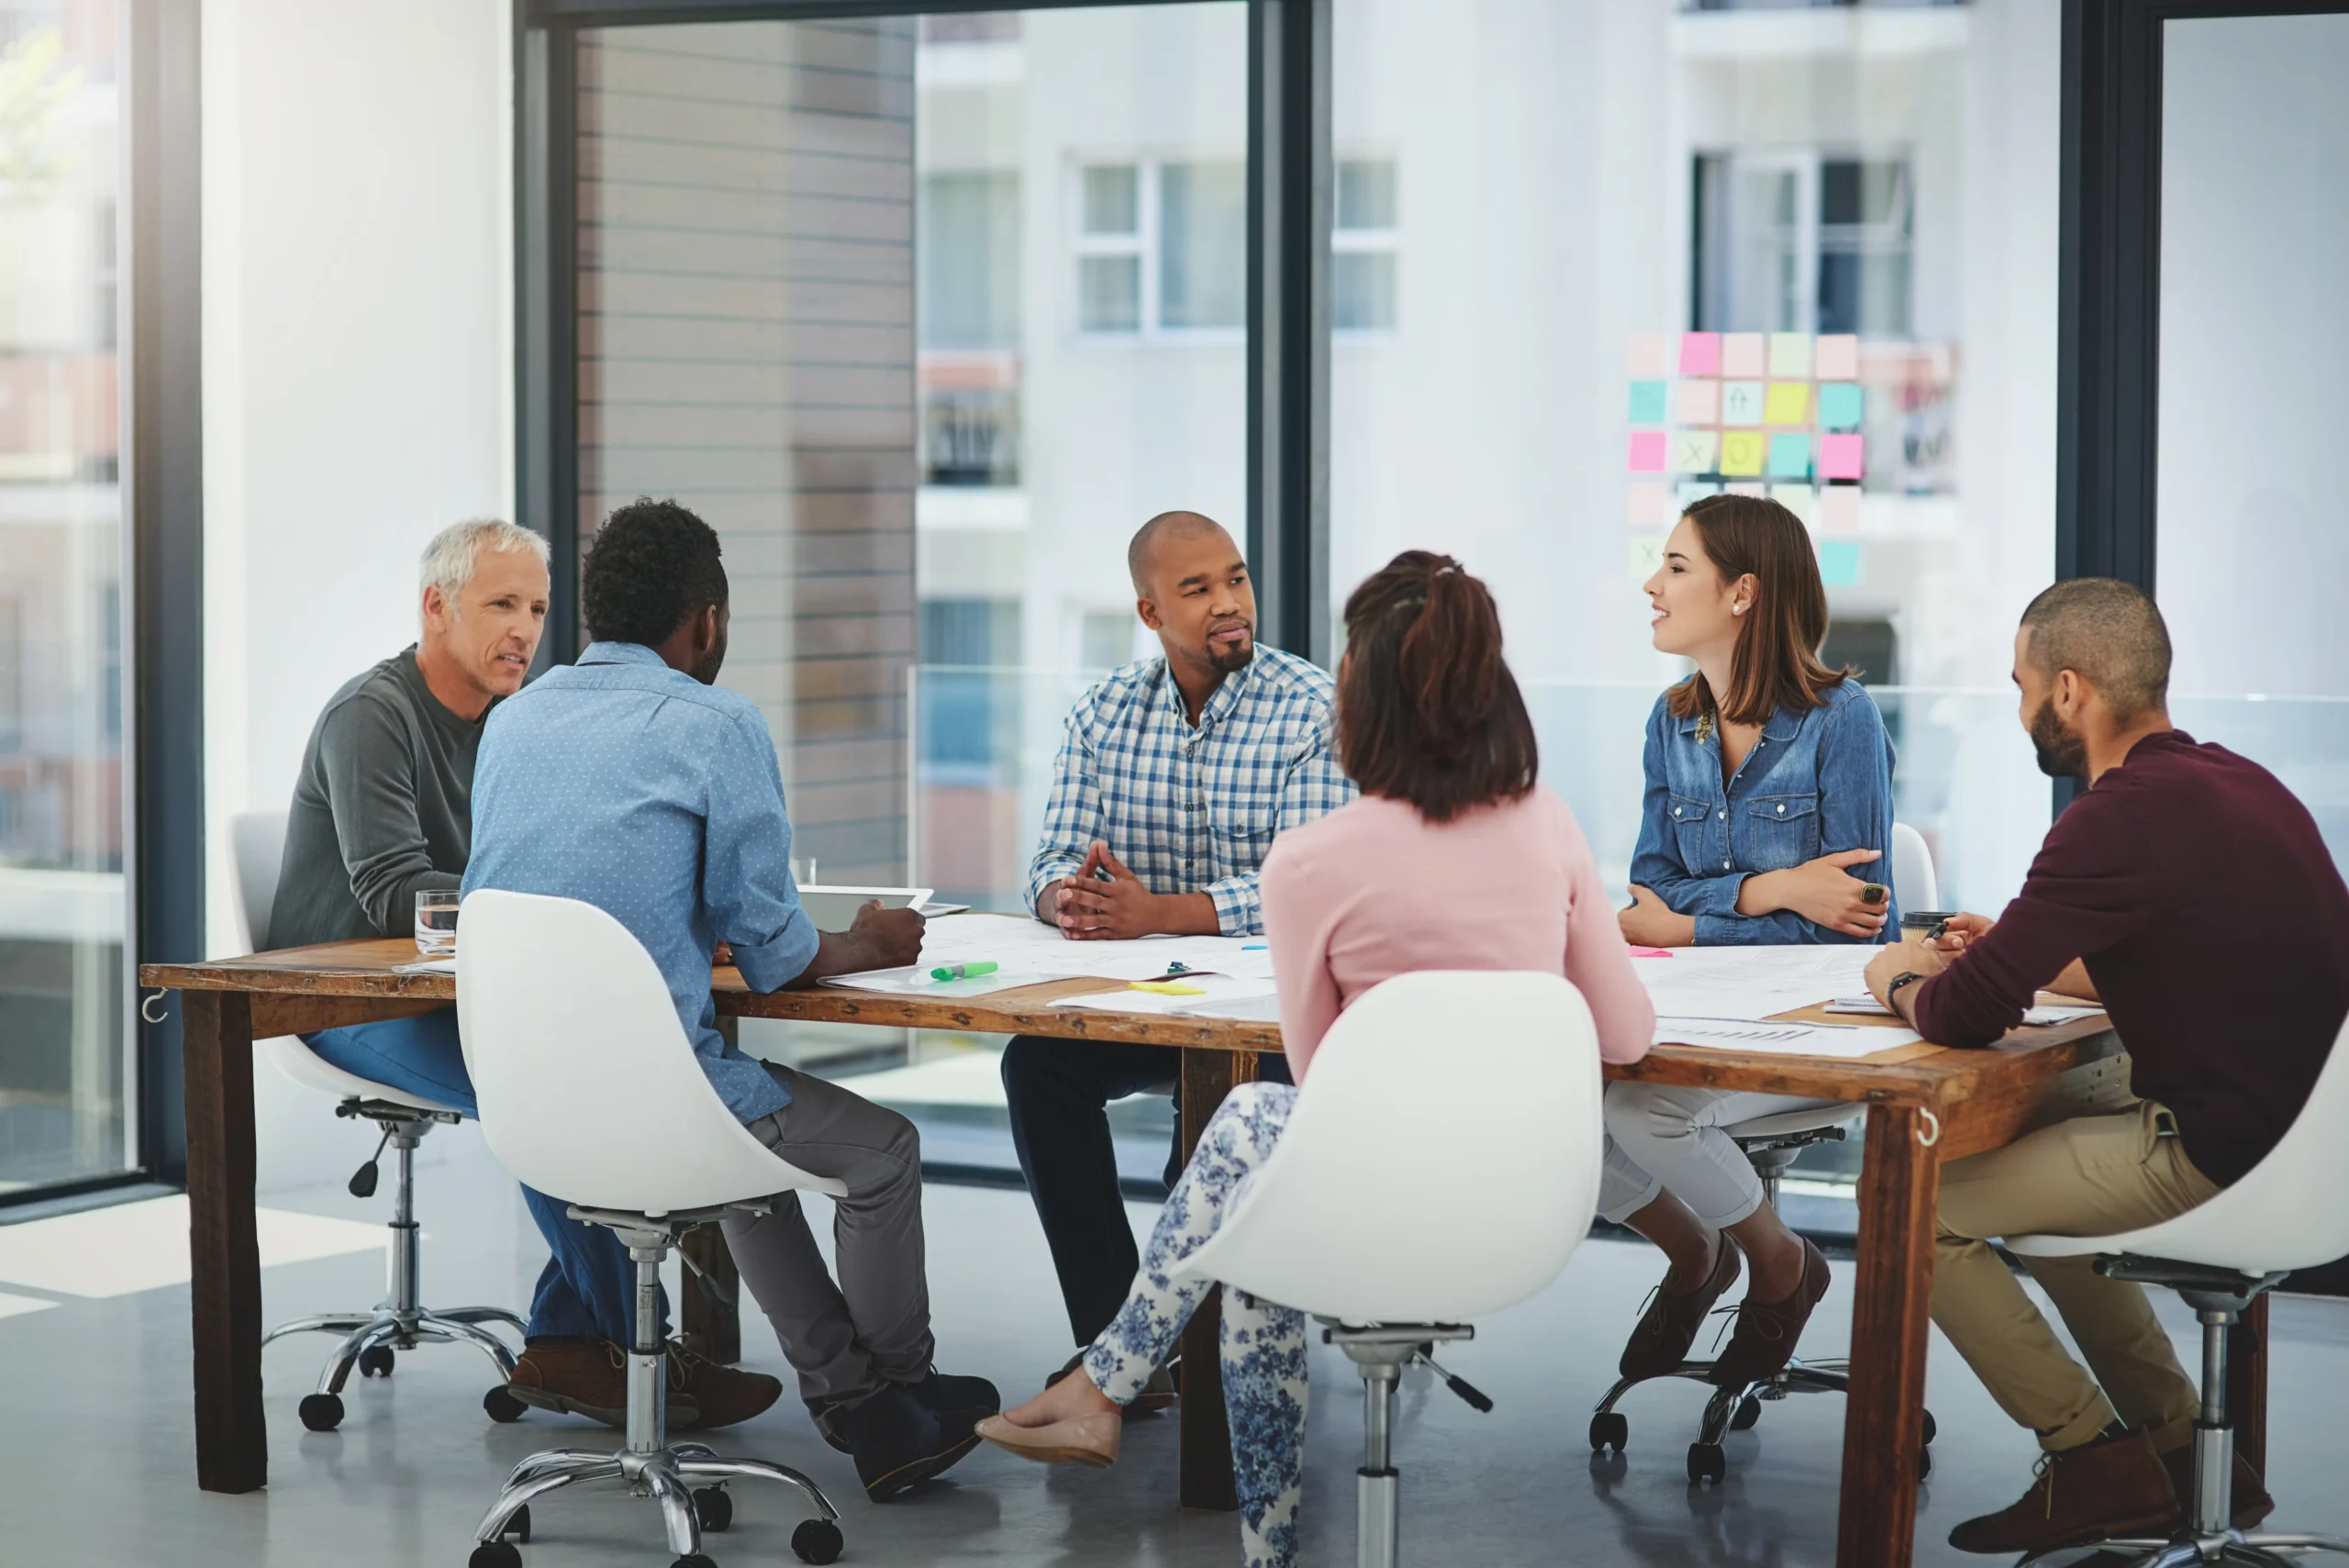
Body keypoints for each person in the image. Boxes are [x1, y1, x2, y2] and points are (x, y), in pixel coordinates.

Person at [974, 551, 1655, 1568]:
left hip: (1370, 1195)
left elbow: (1316, 1073)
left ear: (1362, 697)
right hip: (1530, 1205)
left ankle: (1136, 1412)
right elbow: (1625, 1036)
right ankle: (1120, 1401)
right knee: (1257, 1239)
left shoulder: (1310, 863)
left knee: (1255, 1129)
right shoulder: (1548, 824)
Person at [462, 497, 998, 1503]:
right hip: (665, 1098)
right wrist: (871, 940)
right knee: (881, 1153)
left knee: (746, 1155)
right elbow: (773, 955)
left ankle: (859, 1399)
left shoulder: (514, 718)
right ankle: (898, 1389)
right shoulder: (715, 722)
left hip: (524, 1103)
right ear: (705, 619)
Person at [1860, 579, 2348, 1556]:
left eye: (2021, 685)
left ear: (2070, 690)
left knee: (1922, 1207)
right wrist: (2018, 945)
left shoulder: (2110, 818)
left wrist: (1893, 978)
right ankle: (2173, 1447)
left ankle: (2089, 1457)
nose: (2018, 709)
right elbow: (2181, 946)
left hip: (2223, 1155)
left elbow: (1962, 1014)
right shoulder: (2244, 783)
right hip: (2308, 1149)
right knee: (2050, 1156)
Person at [276, 519, 774, 1429]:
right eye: (501, 603)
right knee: (554, 1082)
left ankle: (567, 1343)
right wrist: (573, 903)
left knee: (615, 1067)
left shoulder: (520, 720)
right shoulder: (371, 715)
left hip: (478, 992)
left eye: (538, 608)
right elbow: (393, 890)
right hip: (349, 1002)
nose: (525, 629)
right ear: (436, 606)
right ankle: (636, 1353)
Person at [999, 510, 1353, 1402]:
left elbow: (1302, 885)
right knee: (1037, 1067)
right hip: (1149, 1005)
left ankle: (1204, 1354)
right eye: (1198, 589)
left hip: (1275, 1019)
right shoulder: (1104, 713)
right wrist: (1066, 898)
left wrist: (1156, 911)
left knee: (1215, 1128)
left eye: (1235, 578)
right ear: (1151, 611)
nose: (1230, 603)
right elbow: (1050, 859)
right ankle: (1119, 1346)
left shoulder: (1314, 709)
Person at [1601, 495, 1899, 1396]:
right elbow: (1646, 887)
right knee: (1554, 1105)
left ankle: (1776, 1264)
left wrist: (1693, 921)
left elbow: (1854, 917)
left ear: (1741, 593)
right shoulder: (1672, 719)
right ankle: (1693, 1247)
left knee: (1640, 1112)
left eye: (1676, 566)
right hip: (1694, 1013)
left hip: (1806, 1027)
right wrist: (1772, 888)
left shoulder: (1839, 719)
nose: (1652, 584)